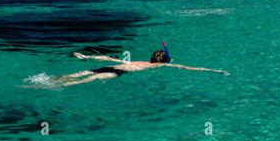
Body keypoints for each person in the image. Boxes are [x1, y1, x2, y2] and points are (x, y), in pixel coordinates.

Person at [51, 50, 229, 86]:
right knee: (89, 80)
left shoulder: (136, 60)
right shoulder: (165, 64)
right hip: (119, 72)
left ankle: (54, 80)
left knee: (79, 74)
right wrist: (216, 71)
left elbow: (109, 57)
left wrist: (88, 57)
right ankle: (59, 85)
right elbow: (191, 68)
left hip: (110, 65)